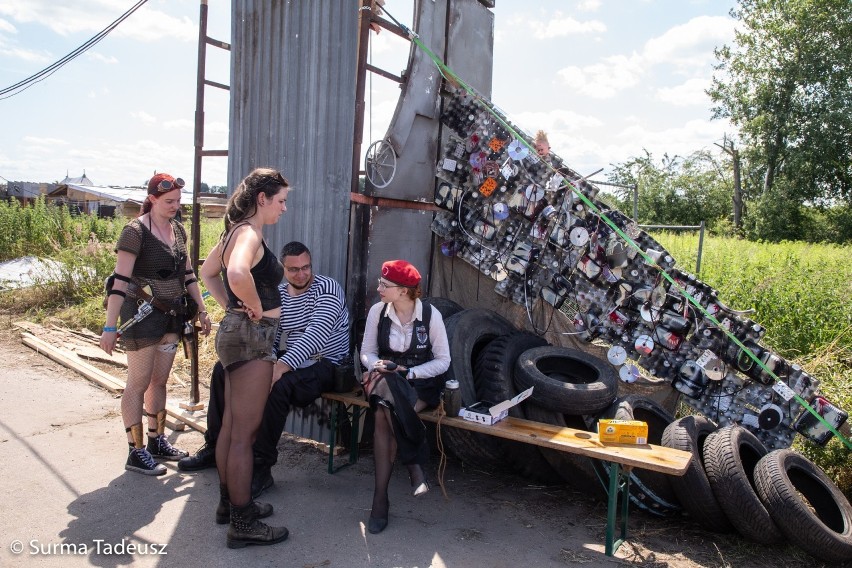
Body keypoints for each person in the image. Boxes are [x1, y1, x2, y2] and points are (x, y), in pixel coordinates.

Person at [180, 242, 350, 499]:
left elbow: (316, 335)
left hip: (326, 363)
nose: (301, 274)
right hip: (291, 359)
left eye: (306, 267)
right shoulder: (279, 293)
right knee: (224, 370)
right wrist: (256, 362)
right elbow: (270, 334)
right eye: (294, 269)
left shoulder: (327, 289)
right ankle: (215, 447)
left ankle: (261, 466)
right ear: (283, 269)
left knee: (278, 386)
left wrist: (278, 368)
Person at [199, 167, 290, 549]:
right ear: (262, 198)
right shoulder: (249, 233)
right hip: (253, 338)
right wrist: (252, 307)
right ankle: (243, 522)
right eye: (281, 200)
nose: (284, 208)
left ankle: (229, 503)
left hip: (237, 333)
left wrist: (232, 308)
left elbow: (207, 274)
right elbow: (234, 273)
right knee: (244, 436)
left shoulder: (234, 230)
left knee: (232, 427)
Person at [100, 172, 212, 476]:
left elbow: (188, 275)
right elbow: (120, 281)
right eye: (169, 201)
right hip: (141, 316)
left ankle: (156, 440)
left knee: (159, 382)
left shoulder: (178, 230)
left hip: (172, 316)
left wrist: (201, 309)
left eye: (178, 201)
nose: (175, 205)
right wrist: (110, 328)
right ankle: (134, 451)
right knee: (137, 383)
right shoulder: (134, 232)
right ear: (152, 199)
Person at [359, 260, 451, 534]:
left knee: (383, 413)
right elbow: (367, 352)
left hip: (418, 381)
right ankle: (413, 465)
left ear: (404, 291)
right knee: (386, 390)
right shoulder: (378, 311)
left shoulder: (430, 315)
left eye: (384, 285)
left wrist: (409, 372)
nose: (379, 288)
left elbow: (443, 361)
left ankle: (380, 499)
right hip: (382, 378)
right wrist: (376, 364)